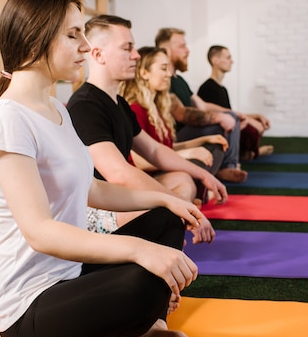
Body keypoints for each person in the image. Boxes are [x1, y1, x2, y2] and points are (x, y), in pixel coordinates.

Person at [0, 0, 204, 337]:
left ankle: (144, 327)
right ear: (36, 38)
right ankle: (141, 322)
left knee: (168, 222)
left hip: (74, 274)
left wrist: (165, 199)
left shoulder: (56, 108)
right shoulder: (8, 117)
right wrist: (140, 250)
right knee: (145, 277)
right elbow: (40, 231)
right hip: (31, 308)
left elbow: (91, 188)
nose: (85, 46)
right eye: (73, 35)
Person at [67, 15, 226, 241]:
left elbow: (154, 151)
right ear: (98, 54)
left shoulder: (119, 103)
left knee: (182, 179)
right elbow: (118, 174)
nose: (136, 55)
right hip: (98, 206)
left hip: (119, 196)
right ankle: (171, 224)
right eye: (127, 48)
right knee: (164, 212)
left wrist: (203, 175)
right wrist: (177, 203)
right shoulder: (85, 105)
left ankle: (173, 223)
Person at [120, 46, 229, 195]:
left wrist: (204, 140)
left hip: (161, 168)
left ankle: (199, 193)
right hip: (146, 176)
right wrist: (187, 154)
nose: (169, 74)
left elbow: (167, 148)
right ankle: (198, 193)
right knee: (184, 178)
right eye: (164, 69)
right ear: (144, 73)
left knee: (215, 146)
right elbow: (141, 161)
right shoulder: (135, 109)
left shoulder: (157, 108)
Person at [155, 28, 247, 182]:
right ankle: (226, 167)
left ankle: (226, 167)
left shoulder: (180, 81)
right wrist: (219, 118)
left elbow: (203, 105)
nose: (188, 50)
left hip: (186, 133)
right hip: (176, 136)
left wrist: (234, 113)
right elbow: (180, 113)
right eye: (182, 46)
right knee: (223, 123)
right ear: (166, 50)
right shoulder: (163, 80)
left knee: (228, 120)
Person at [198, 45, 273, 161]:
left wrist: (256, 116)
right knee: (251, 129)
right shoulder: (207, 88)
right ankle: (247, 153)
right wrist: (250, 121)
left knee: (258, 122)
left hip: (229, 121)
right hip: (220, 129)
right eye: (228, 58)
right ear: (215, 61)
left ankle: (248, 152)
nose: (232, 61)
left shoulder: (222, 89)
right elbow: (223, 116)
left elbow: (230, 112)